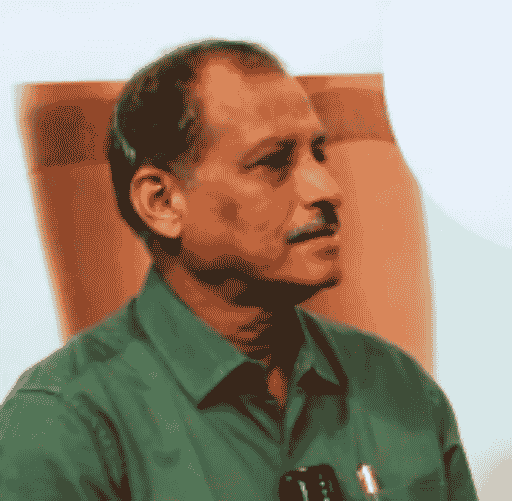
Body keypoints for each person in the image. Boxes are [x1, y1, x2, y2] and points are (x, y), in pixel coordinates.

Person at [0, 40, 478, 500]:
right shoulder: (63, 426)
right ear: (162, 202)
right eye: (272, 163)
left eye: (320, 153)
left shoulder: (398, 388)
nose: (326, 187)